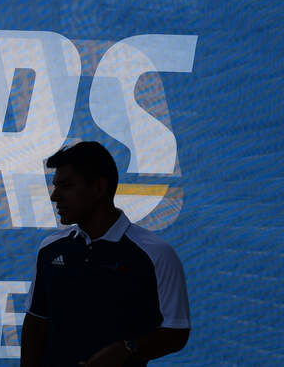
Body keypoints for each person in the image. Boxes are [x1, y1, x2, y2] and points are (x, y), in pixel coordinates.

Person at [21, 141, 190, 366]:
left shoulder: (156, 254)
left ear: (99, 188)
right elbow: (36, 322)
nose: (55, 197)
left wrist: (128, 349)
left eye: (66, 186)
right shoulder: (50, 248)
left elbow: (177, 332)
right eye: (55, 186)